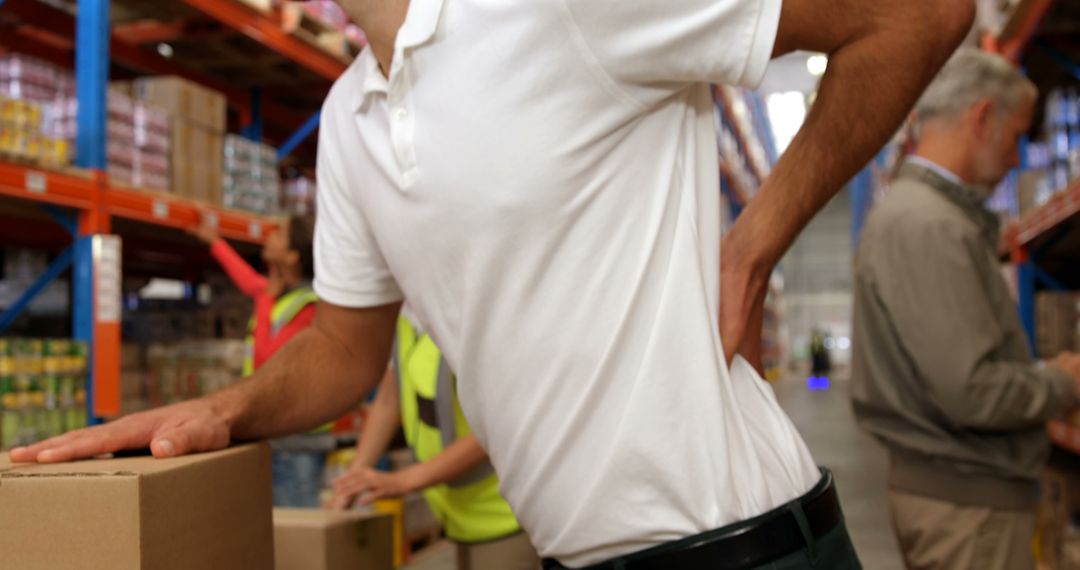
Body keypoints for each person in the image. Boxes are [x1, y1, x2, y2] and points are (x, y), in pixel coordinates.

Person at [12, 0, 974, 567]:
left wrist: (753, 243)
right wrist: (223, 409)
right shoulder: (349, 116)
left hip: (739, 544)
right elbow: (345, 351)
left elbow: (916, 16)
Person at [850, 49, 1080, 570]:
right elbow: (970, 391)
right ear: (981, 118)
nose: (1017, 158)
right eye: (1016, 135)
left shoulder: (927, 218)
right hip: (969, 511)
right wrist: (1063, 383)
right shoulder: (928, 226)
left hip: (962, 500)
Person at [327, 311, 538, 570]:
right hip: (458, 516)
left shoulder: (468, 315)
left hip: (505, 516)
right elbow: (388, 399)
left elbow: (500, 423)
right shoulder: (408, 317)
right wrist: (353, 480)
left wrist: (405, 479)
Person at [189, 213, 330, 508]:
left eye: (279, 234)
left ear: (292, 257)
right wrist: (215, 242)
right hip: (278, 435)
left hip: (299, 442)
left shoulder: (309, 304)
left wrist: (265, 300)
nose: (270, 236)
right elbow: (247, 280)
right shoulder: (278, 296)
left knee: (296, 532)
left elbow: (272, 359)